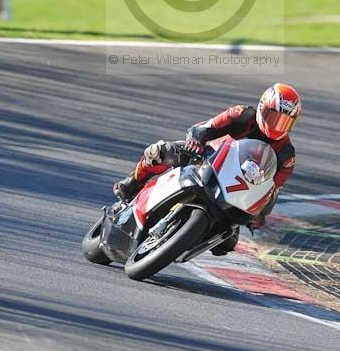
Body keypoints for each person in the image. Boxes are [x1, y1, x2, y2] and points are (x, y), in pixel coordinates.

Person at [113, 83, 301, 255]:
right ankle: (134, 182)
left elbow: (271, 189)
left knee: (226, 243)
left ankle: (194, 237)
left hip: (237, 190)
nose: (277, 125)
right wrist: (195, 141)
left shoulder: (286, 155)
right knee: (159, 152)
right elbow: (204, 128)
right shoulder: (241, 115)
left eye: (284, 122)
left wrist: (258, 213)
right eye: (274, 117)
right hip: (207, 159)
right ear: (262, 107)